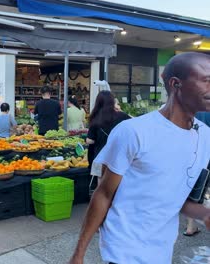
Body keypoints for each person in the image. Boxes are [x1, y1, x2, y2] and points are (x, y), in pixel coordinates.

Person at [70, 52, 210, 264]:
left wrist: (204, 213)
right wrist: (78, 254)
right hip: (124, 249)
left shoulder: (205, 136)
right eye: (206, 80)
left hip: (162, 249)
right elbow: (104, 194)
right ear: (175, 84)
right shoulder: (134, 131)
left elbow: (176, 200)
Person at [86, 91, 130, 177]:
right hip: (118, 156)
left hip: (99, 156)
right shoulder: (122, 116)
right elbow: (135, 122)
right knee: (117, 180)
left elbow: (90, 141)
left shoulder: (95, 117)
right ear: (112, 102)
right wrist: (121, 111)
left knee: (100, 180)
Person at [183, 111, 210, 237]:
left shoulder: (195, 105)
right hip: (206, 153)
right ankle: (190, 226)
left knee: (193, 187)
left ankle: (190, 225)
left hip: (192, 150)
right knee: (199, 188)